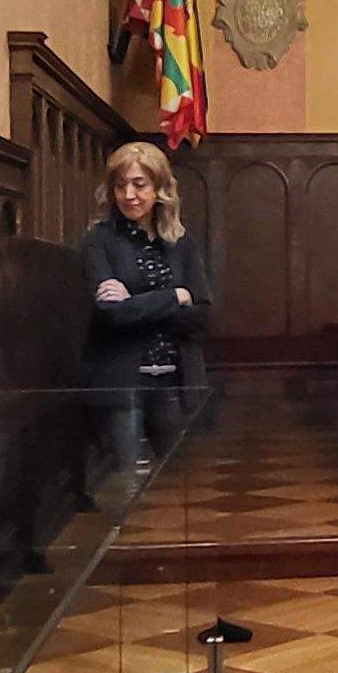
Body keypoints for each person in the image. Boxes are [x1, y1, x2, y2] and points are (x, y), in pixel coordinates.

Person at [80, 141, 210, 492]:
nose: (129, 195)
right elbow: (110, 315)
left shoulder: (181, 241)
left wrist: (135, 302)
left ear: (160, 189)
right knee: (128, 484)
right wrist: (174, 297)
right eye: (120, 186)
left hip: (175, 380)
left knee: (181, 486)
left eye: (139, 184)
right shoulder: (99, 241)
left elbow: (201, 315)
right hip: (123, 381)